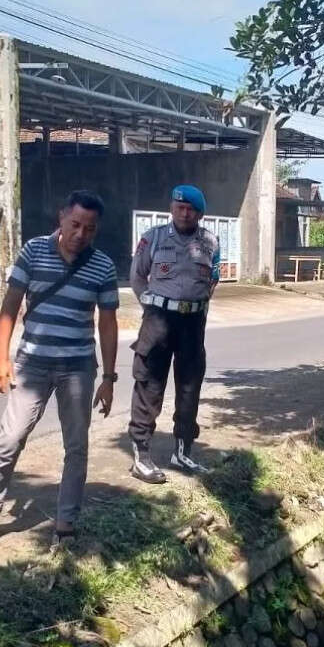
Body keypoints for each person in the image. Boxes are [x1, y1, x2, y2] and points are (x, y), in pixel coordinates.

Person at [0, 190, 118, 554]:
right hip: (33, 364)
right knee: (9, 439)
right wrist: (1, 358)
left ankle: (65, 523)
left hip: (78, 367)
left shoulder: (103, 266)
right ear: (62, 217)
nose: (81, 234)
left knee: (76, 447)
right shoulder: (34, 251)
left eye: (90, 229)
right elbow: (11, 306)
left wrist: (109, 378)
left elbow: (107, 324)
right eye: (75, 224)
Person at [126, 184, 220, 484]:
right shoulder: (152, 238)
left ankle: (183, 451)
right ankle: (141, 457)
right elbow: (137, 276)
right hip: (158, 321)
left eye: (190, 208)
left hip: (193, 323)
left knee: (190, 386)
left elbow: (213, 277)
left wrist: (199, 304)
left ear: (200, 213)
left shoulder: (210, 242)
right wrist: (150, 307)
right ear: (171, 208)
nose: (184, 212)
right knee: (149, 386)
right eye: (179, 207)